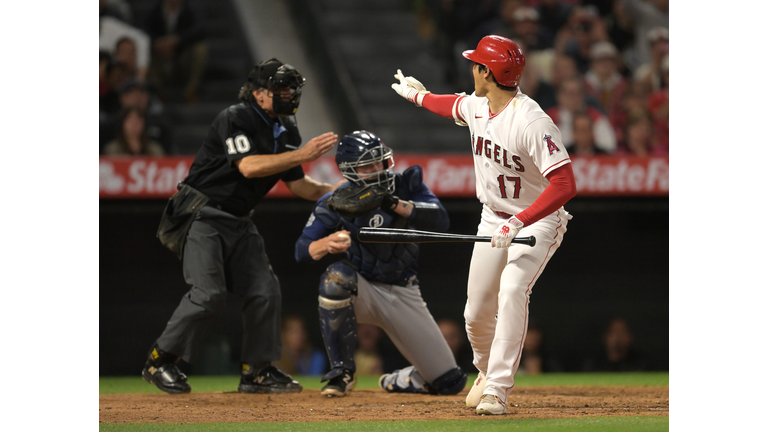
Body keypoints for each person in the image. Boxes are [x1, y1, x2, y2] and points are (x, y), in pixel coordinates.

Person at [391, 35, 577, 415]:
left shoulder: (531, 120)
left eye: (477, 64)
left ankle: (498, 389)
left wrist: (521, 221)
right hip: (493, 216)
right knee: (474, 312)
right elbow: (451, 105)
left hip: (536, 220)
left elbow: (565, 183)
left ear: (487, 73)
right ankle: (485, 370)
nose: (471, 68)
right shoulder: (479, 105)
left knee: (512, 290)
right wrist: (417, 96)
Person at [141, 58, 339, 395]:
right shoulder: (236, 117)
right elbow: (247, 166)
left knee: (265, 289)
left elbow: (299, 185)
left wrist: (340, 192)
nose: (289, 93)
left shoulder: (286, 128)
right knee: (208, 294)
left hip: (239, 219)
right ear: (260, 94)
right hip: (202, 212)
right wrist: (302, 154)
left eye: (292, 87)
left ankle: (257, 371)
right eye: (281, 87)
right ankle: (160, 361)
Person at [294, 130, 468, 398]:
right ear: (349, 170)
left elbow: (440, 220)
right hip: (363, 289)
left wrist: (392, 203)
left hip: (403, 291)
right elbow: (302, 250)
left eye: (380, 162)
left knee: (449, 383)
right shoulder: (336, 200)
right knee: (335, 278)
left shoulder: (405, 185)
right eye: (367, 165)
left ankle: (402, 379)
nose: (377, 170)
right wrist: (326, 244)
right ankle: (342, 372)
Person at [143, 0, 208, 103]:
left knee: (200, 49)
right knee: (144, 50)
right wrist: (159, 43)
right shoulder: (155, 10)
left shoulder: (191, 9)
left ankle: (191, 90)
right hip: (160, 55)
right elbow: (144, 30)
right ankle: (158, 92)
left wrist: (178, 41)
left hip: (182, 55)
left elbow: (200, 29)